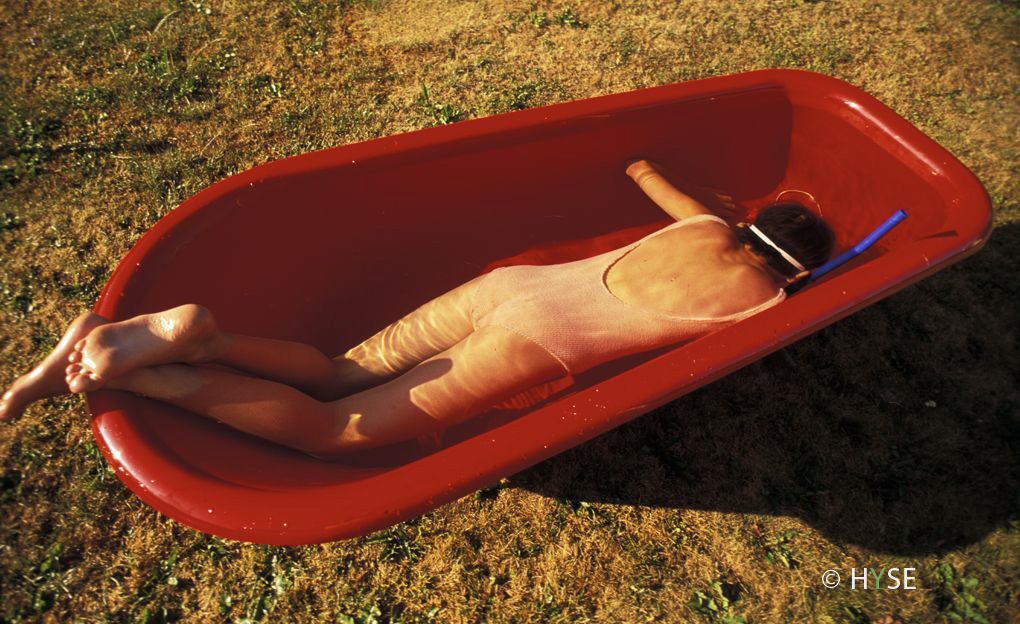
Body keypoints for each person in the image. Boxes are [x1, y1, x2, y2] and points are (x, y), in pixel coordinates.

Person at [0, 159, 834, 460]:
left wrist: (644, 166)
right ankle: (149, 377)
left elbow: (652, 179)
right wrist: (802, 290)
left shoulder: (701, 225)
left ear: (751, 226)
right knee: (334, 429)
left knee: (338, 372)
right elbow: (777, 322)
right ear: (794, 271)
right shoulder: (764, 301)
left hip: (517, 288)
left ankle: (205, 336)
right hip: (542, 339)